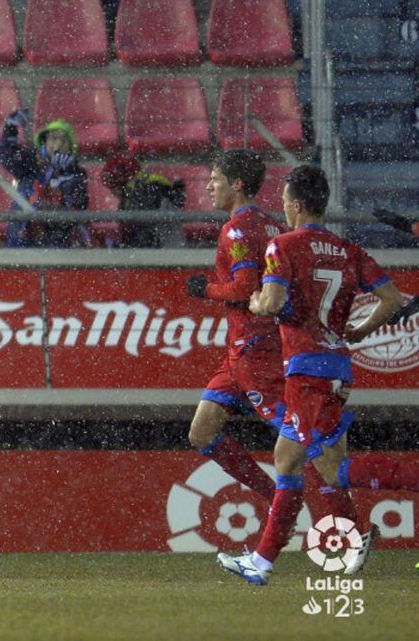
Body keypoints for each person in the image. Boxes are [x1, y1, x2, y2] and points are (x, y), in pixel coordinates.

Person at [219, 165, 419, 585]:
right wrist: (362, 330)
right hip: (335, 365)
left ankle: (405, 486)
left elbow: (271, 303)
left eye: (286, 203)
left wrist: (256, 303)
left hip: (307, 370)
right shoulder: (349, 250)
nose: (284, 209)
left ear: (295, 204)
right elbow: (391, 299)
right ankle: (261, 562)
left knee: (332, 468)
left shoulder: (283, 245)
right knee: (286, 458)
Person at [184, 151, 361, 527]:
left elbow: (247, 287)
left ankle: (348, 522)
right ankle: (275, 499)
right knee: (201, 431)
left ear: (236, 184)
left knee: (304, 439)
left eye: (214, 178)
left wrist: (206, 289)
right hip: (241, 353)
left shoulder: (236, 230)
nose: (209, 186)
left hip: (256, 351)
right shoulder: (273, 227)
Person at [0, 110, 89, 248]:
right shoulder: (30, 163)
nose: (58, 144)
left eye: (64, 140)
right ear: (44, 141)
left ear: (71, 147)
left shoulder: (77, 174)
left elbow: (78, 206)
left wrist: (63, 175)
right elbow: (8, 157)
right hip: (23, 239)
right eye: (53, 138)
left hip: (58, 244)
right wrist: (10, 128)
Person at [101, 151, 186, 248]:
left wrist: (125, 249)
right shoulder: (143, 188)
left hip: (162, 255)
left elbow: (144, 233)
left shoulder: (145, 191)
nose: (113, 193)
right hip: (164, 252)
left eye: (114, 187)